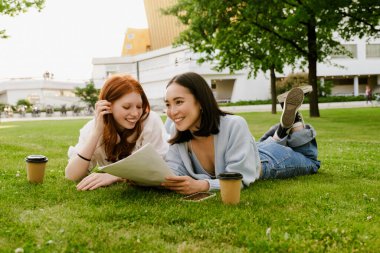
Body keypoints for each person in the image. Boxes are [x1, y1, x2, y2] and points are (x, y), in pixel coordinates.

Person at [162, 72, 320, 195]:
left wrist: (203, 185)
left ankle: (296, 124)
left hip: (265, 162)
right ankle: (282, 130)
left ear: (201, 101)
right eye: (168, 104)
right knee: (262, 145)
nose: (172, 112)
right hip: (245, 151)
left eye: (179, 102)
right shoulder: (177, 132)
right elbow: (172, 173)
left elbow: (239, 176)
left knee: (311, 162)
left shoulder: (234, 124)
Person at [65, 74, 169, 190]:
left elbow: (156, 168)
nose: (135, 113)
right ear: (107, 106)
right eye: (126, 107)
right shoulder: (92, 128)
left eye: (139, 107)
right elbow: (72, 175)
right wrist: (96, 133)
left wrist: (116, 175)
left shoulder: (149, 121)